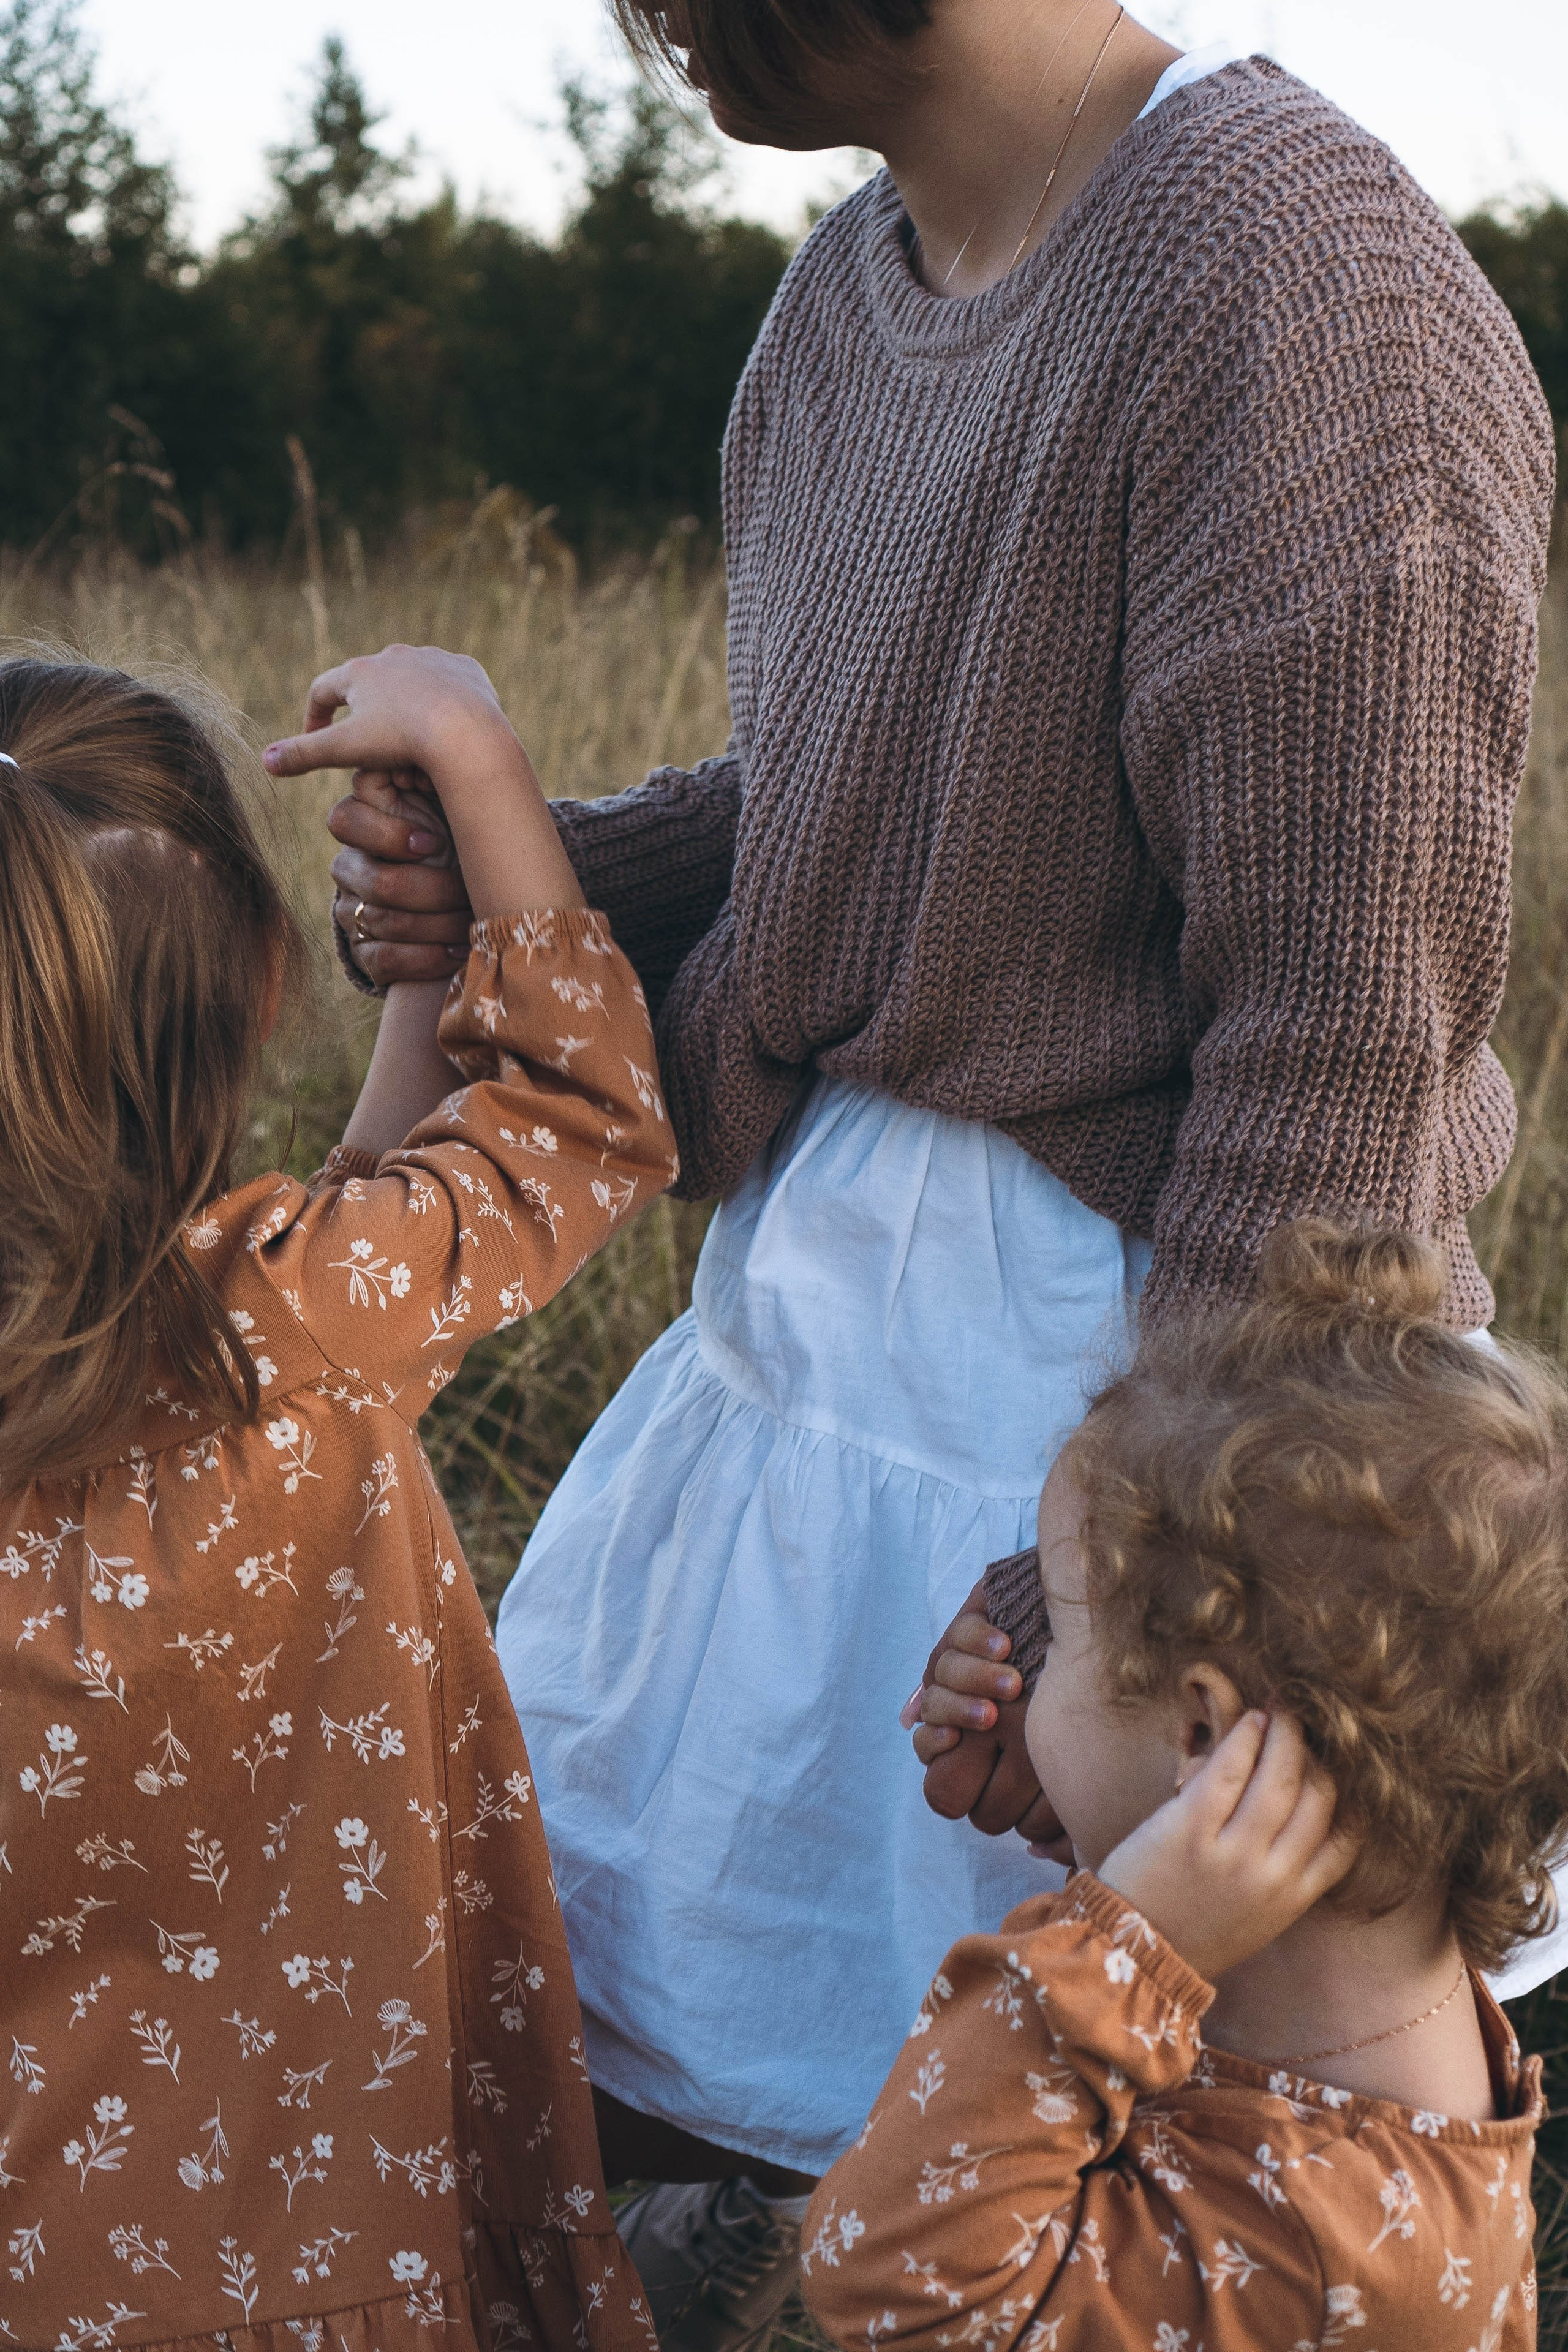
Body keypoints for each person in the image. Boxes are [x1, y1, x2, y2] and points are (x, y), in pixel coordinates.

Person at [324, 0, 1556, 2339]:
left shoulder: (1299, 291)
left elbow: (1344, 1051)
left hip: (1119, 1415)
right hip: (804, 1371)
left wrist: (1131, 1599)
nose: (647, 12)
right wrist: (556, 875)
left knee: (1109, 2207)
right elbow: (857, 810)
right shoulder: (843, 289)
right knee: (657, 2125)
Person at [0, 648, 676, 2351]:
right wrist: (468, 757)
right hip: (317, 2258)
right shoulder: (287, 1332)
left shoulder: (289, 1321)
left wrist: (416, 988)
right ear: (240, 1001)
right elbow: (575, 1121)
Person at [802, 1223, 1567, 2351]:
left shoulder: (1316, 2246)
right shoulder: (1369, 1960)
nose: (1031, 1657)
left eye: (1060, 1634)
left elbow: (883, 2279)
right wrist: (1118, 1809)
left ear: (1207, 1737)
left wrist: (1123, 1951)